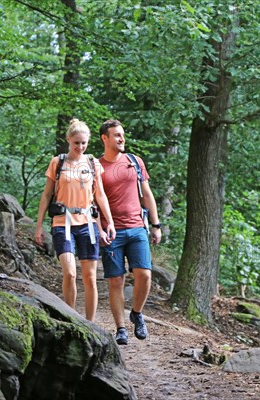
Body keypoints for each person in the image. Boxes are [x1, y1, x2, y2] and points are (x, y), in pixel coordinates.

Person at [35, 119, 116, 322]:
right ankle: (70, 318)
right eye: (76, 143)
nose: (80, 147)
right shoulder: (57, 163)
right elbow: (46, 195)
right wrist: (38, 226)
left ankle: (90, 323)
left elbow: (100, 195)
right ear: (68, 140)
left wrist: (110, 222)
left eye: (84, 143)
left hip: (87, 225)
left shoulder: (92, 163)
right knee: (70, 273)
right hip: (63, 223)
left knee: (90, 277)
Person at [98, 119, 162, 345]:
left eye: (122, 134)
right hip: (111, 231)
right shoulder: (96, 166)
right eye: (116, 135)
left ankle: (136, 312)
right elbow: (91, 202)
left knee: (144, 275)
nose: (122, 138)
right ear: (104, 138)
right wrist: (99, 228)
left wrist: (156, 225)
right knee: (116, 281)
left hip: (137, 228)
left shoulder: (134, 161)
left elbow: (147, 194)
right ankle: (121, 328)